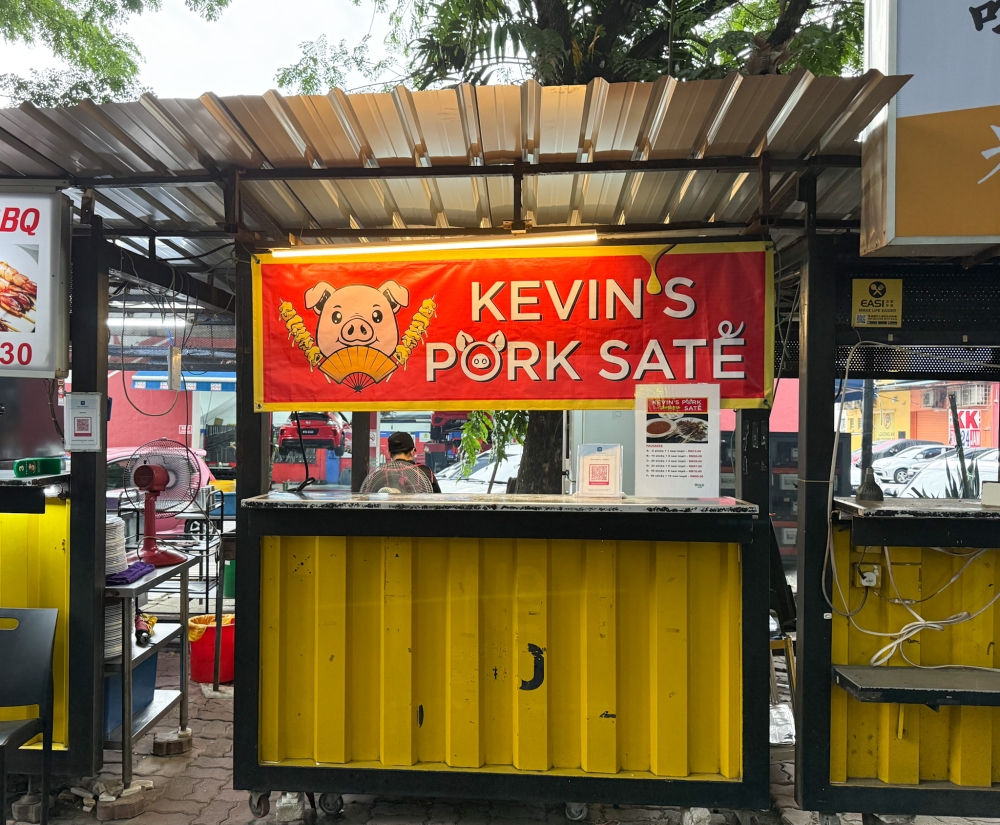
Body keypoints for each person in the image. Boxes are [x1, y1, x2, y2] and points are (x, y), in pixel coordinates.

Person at [360, 431, 439, 494]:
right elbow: (438, 501)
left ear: (389, 453)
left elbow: (367, 498)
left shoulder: (377, 474)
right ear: (412, 452)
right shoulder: (425, 472)